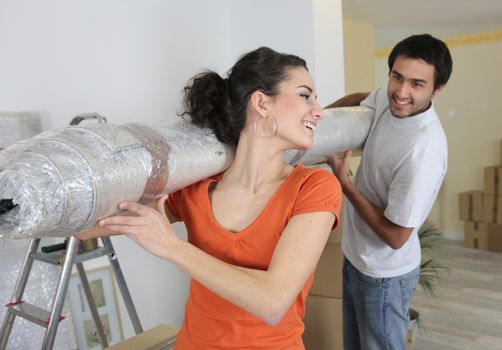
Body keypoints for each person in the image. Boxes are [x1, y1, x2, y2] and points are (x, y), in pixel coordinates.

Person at [79, 47, 342, 349]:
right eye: (305, 95)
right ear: (261, 102)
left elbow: (273, 301)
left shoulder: (313, 187)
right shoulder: (196, 187)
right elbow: (90, 225)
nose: (319, 110)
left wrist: (171, 247)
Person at [327, 34, 453, 350]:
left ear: (437, 89)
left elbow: (396, 237)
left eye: (416, 84)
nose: (401, 92)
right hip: (357, 258)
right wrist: (319, 118)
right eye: (397, 77)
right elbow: (365, 97)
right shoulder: (391, 98)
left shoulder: (422, 152)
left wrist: (346, 184)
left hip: (384, 276)